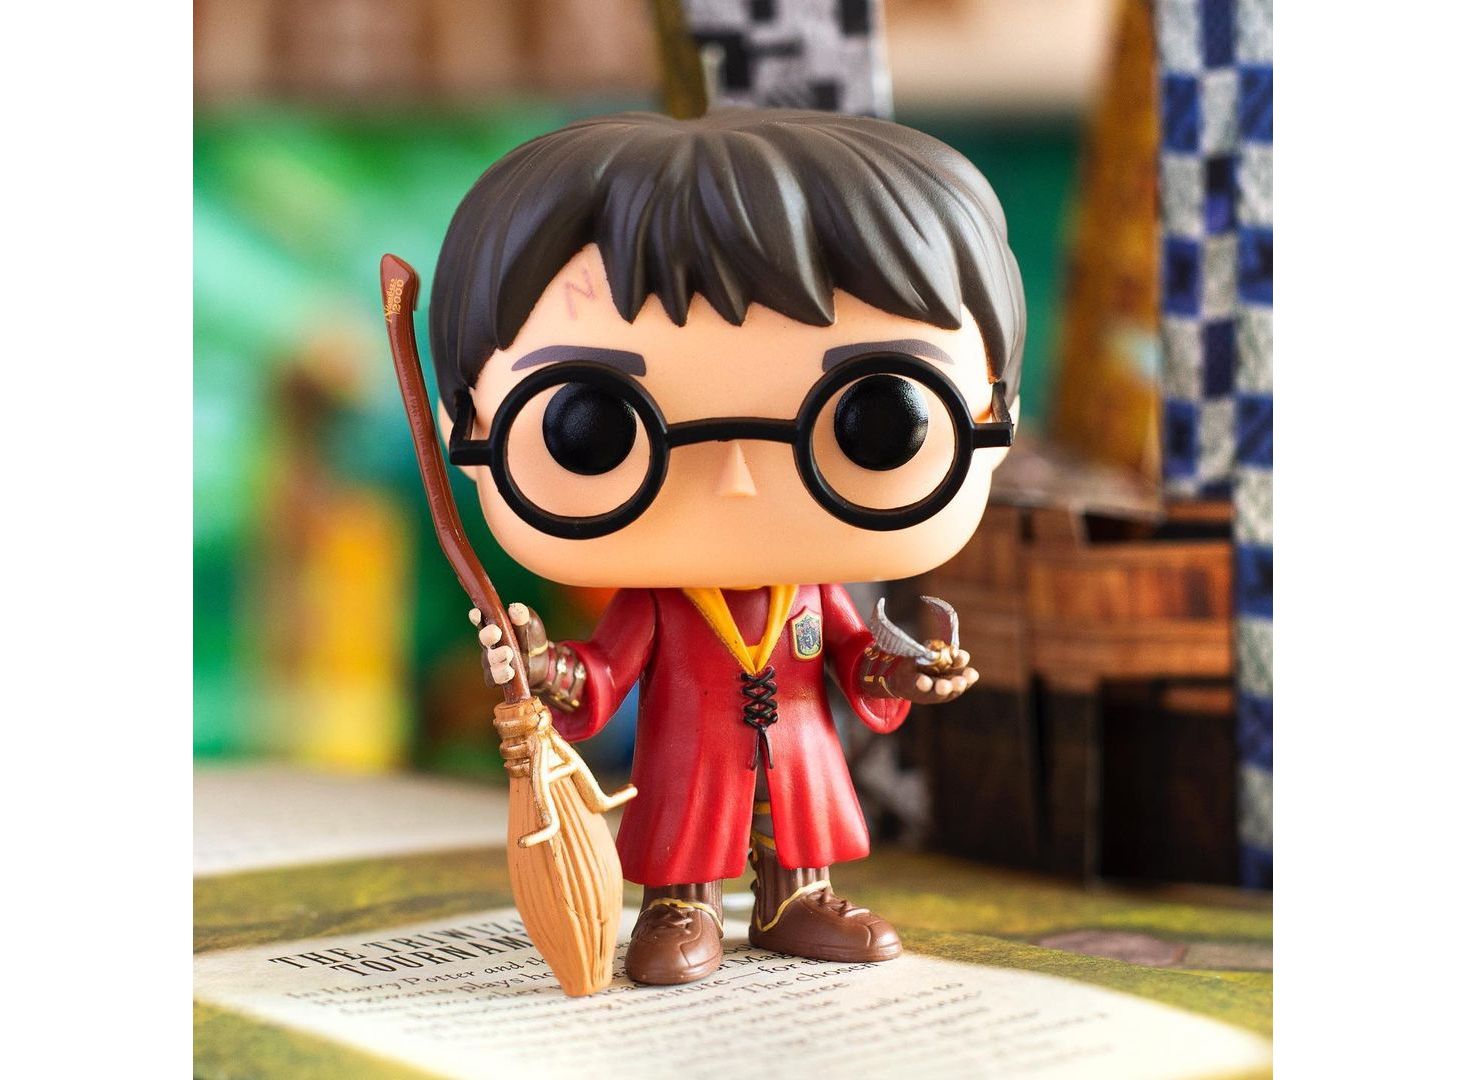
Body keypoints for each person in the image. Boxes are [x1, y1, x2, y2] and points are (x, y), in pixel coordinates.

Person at [430, 109, 1025, 985]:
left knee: (800, 821)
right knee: (688, 831)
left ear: (996, 412)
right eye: (591, 427)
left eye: (875, 419)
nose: (739, 479)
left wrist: (905, 672)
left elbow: (856, 661)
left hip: (799, 751)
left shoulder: (814, 596)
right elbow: (601, 675)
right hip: (692, 760)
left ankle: (796, 899)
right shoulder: (658, 604)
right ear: (470, 427)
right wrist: (542, 665)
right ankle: (683, 905)